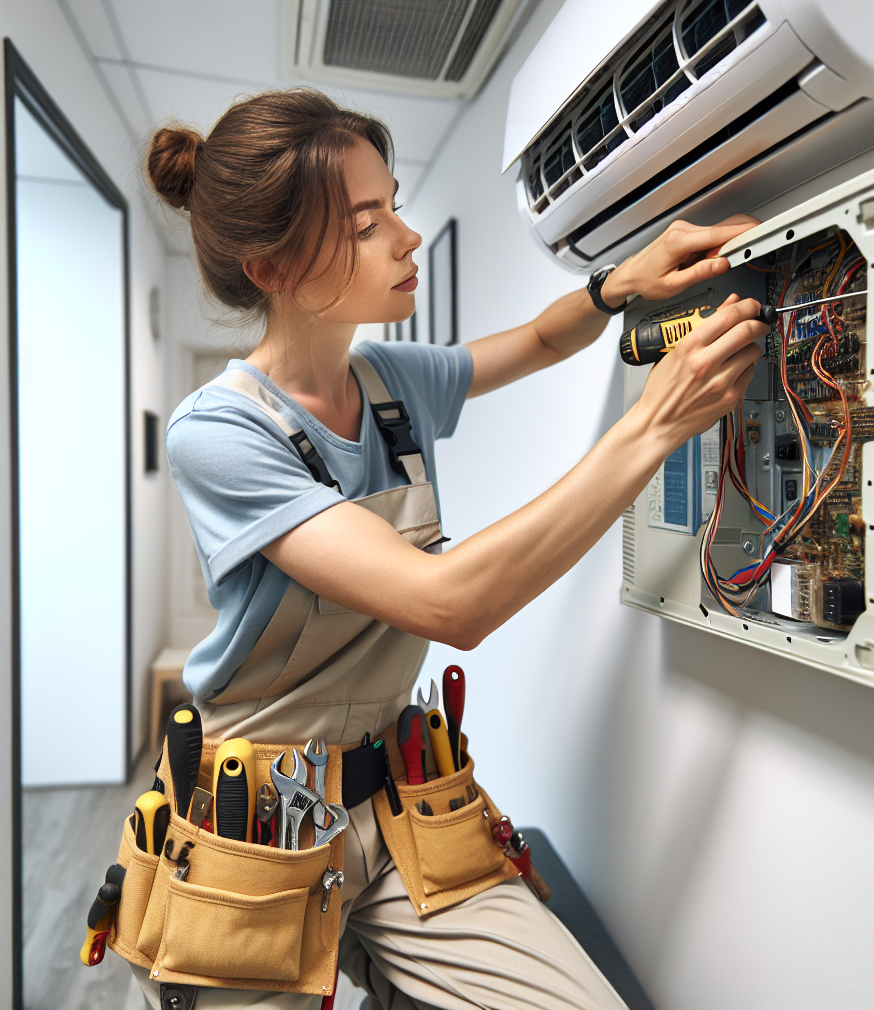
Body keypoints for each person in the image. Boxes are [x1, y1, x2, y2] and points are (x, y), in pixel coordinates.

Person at [141, 88, 764, 1010]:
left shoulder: (392, 381)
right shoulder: (218, 431)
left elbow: (541, 341)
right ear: (270, 266)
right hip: (257, 826)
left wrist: (616, 285)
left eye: (392, 204)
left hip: (396, 804)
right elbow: (448, 604)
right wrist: (653, 427)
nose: (406, 236)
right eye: (365, 223)